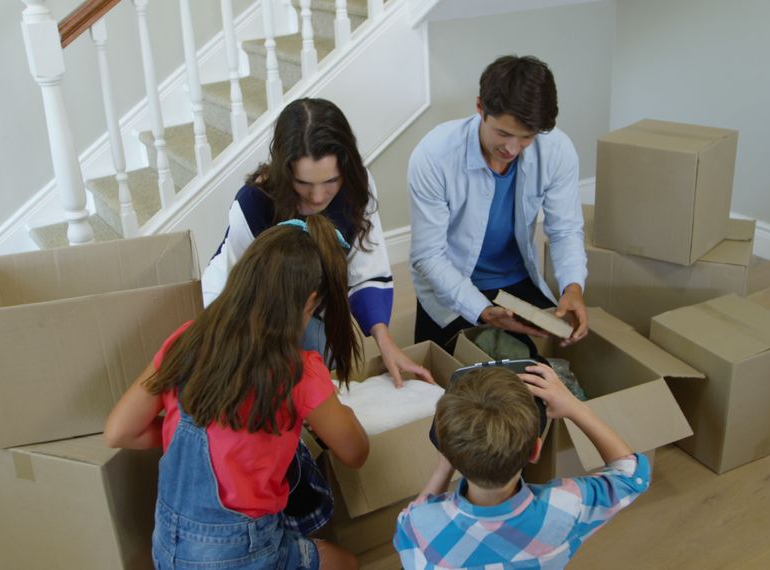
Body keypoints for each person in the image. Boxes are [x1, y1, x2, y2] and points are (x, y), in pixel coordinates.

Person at [105, 216, 369, 569]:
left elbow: (119, 431)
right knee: (346, 562)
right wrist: (341, 415)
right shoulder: (300, 371)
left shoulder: (188, 338)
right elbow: (355, 453)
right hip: (241, 550)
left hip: (168, 546)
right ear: (308, 303)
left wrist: (185, 432)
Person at [203, 97, 432, 388]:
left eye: (330, 182)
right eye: (304, 184)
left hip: (311, 304)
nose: (318, 197)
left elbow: (366, 266)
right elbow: (238, 296)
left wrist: (386, 342)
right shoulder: (253, 204)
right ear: (285, 172)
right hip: (243, 306)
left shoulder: (358, 186)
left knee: (321, 381)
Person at [408, 55, 589, 354]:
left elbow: (565, 230)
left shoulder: (557, 150)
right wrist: (482, 310)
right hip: (450, 282)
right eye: (503, 134)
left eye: (526, 138)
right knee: (454, 383)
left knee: (542, 364)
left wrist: (573, 286)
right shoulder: (434, 155)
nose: (512, 149)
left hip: (514, 280)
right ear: (480, 108)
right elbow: (428, 256)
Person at [393, 364, 650, 569]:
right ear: (536, 451)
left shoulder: (417, 526)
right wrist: (575, 408)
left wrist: (444, 467)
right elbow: (632, 475)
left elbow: (412, 519)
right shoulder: (566, 506)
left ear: (445, 449)